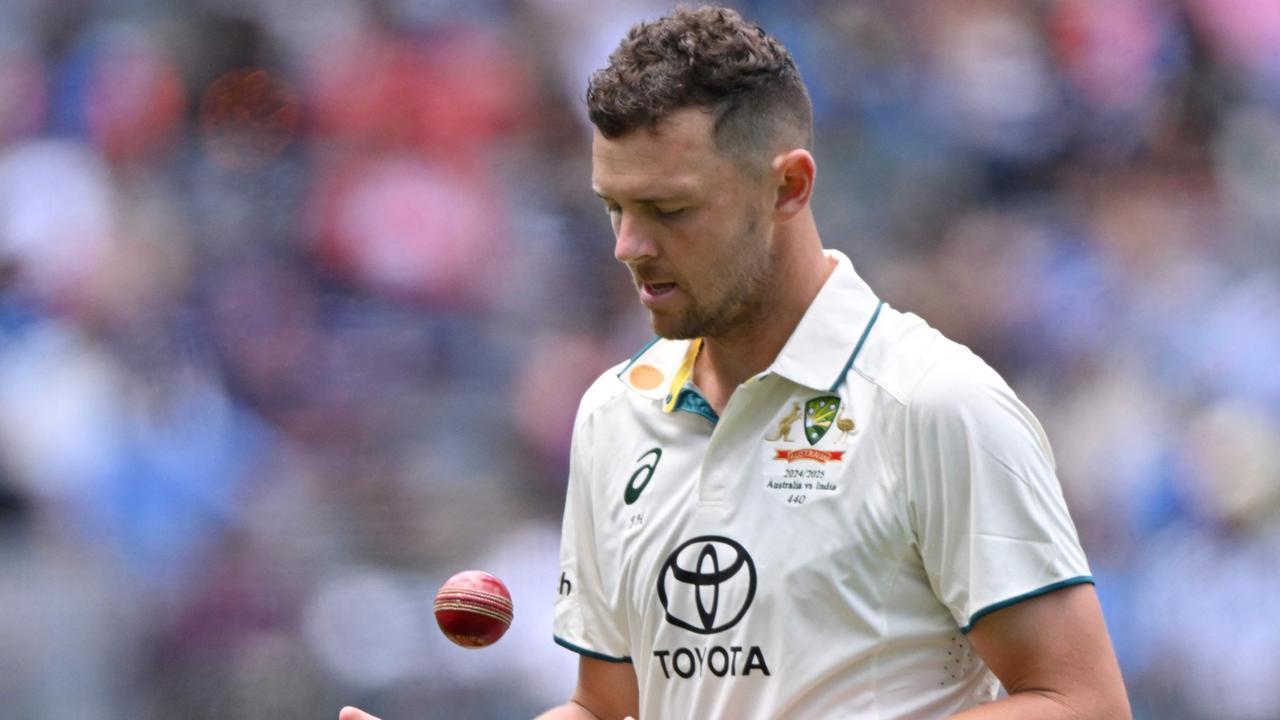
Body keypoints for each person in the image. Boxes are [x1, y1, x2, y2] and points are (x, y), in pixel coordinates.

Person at [342, 5, 1131, 719]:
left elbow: (1082, 703)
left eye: (670, 210)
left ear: (788, 186)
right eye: (614, 207)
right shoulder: (612, 414)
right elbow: (609, 706)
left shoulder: (936, 403)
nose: (628, 248)